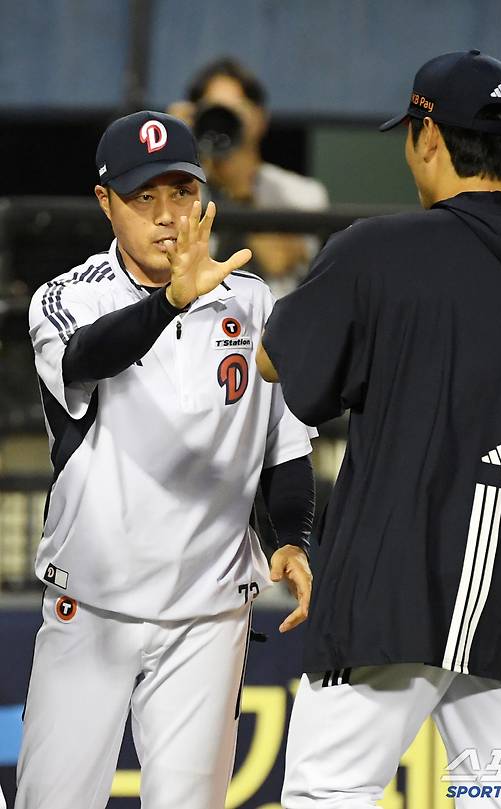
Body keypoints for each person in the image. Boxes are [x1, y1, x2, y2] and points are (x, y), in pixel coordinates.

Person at [256, 51, 501, 808]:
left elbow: (276, 365)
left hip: (385, 597)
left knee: (326, 795)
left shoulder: (378, 253)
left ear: (428, 137)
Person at [17, 110, 315, 809]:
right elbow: (89, 356)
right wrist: (174, 301)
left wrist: (293, 539)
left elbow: (284, 443)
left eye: (181, 194)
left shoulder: (251, 298)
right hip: (91, 606)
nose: (166, 216)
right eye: (143, 197)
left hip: (208, 617)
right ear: (105, 202)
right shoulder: (66, 297)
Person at [169, 57, 329, 297]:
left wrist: (239, 188)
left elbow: (280, 264)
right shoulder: (178, 188)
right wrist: (173, 151)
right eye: (213, 110)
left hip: (270, 326)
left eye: (232, 110)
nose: (222, 121)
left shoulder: (299, 192)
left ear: (259, 118)